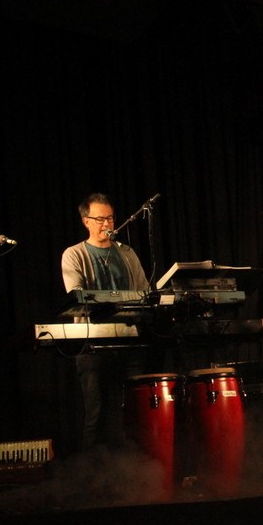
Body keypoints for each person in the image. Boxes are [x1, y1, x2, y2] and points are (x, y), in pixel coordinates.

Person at [61, 192, 151, 451]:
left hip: (130, 340)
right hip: (93, 344)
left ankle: (136, 465)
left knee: (136, 409)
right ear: (86, 221)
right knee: (96, 412)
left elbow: (145, 292)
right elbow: (77, 295)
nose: (107, 224)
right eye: (100, 219)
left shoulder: (127, 253)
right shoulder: (74, 254)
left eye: (110, 218)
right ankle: (92, 469)